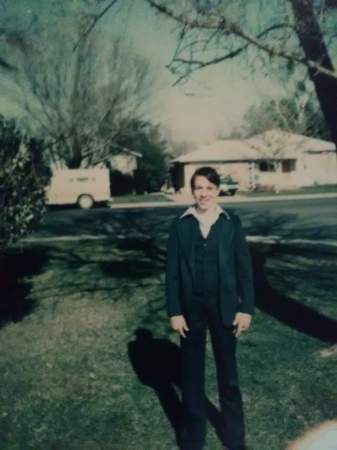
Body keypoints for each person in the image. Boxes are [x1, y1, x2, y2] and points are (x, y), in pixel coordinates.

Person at [165, 166, 254, 450]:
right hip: (191, 310)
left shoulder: (231, 223)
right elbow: (172, 274)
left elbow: (244, 272)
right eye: (198, 187)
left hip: (225, 308)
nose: (203, 193)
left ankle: (234, 437)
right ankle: (193, 440)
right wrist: (175, 311)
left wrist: (246, 308)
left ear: (218, 190)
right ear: (192, 190)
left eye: (208, 188)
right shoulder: (180, 225)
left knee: (227, 374)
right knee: (191, 376)